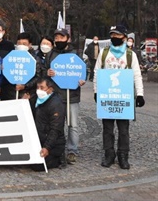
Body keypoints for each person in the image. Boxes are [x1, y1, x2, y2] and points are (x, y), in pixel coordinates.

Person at [94, 25, 145, 169]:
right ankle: (109, 154)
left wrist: (139, 94)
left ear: (124, 37)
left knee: (124, 129)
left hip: (124, 97)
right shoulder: (104, 53)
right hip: (107, 96)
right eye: (112, 35)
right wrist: (96, 91)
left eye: (117, 35)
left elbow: (136, 75)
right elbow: (97, 72)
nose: (114, 38)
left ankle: (123, 154)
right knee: (107, 128)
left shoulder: (130, 55)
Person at [43, 28, 85, 165]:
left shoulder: (76, 53)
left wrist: (82, 80)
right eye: (57, 38)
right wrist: (47, 73)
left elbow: (84, 70)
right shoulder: (50, 54)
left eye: (62, 37)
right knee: (55, 125)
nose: (59, 40)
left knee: (73, 125)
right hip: (55, 96)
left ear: (68, 38)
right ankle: (56, 150)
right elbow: (44, 72)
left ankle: (72, 150)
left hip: (72, 95)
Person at [30, 77, 66, 172]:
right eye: (38, 88)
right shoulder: (37, 100)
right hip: (39, 139)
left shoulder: (56, 104)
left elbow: (56, 129)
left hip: (54, 143)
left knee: (37, 167)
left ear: (50, 89)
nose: (39, 90)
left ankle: (59, 159)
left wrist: (47, 147)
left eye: (42, 88)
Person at [1, 32, 41, 100]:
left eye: (24, 44)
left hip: (27, 94)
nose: (21, 45)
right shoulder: (10, 57)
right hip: (9, 94)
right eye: (19, 43)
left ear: (30, 45)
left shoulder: (35, 59)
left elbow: (37, 77)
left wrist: (25, 86)